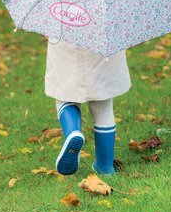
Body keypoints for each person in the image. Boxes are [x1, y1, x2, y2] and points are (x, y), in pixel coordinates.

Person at [44, 37, 131, 176]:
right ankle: (105, 166)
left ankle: (73, 131)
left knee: (64, 94)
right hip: (105, 43)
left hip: (65, 39)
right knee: (103, 103)